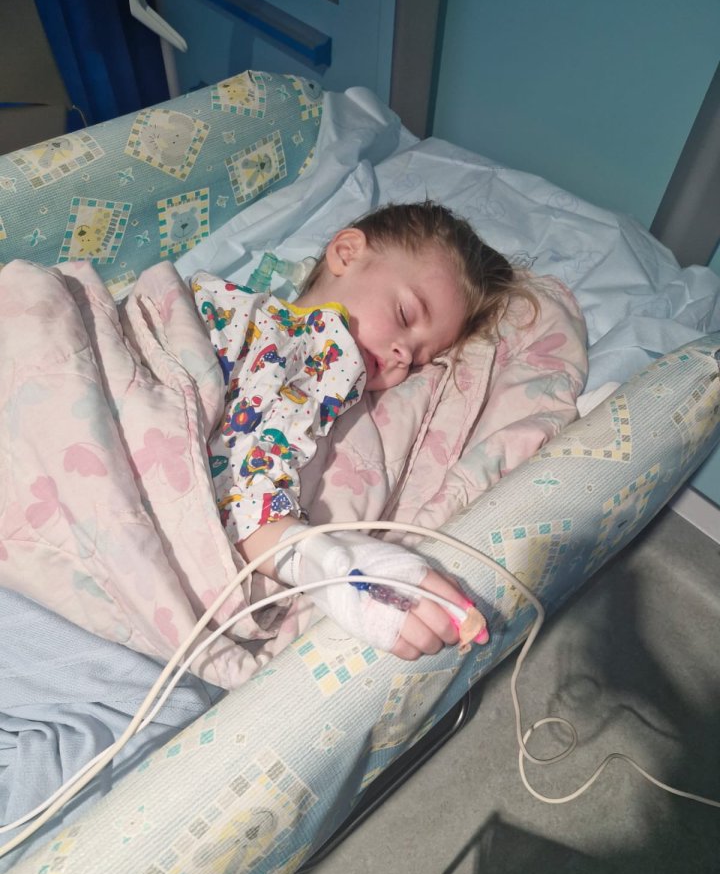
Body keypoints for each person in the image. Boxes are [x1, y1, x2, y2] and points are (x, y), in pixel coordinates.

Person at [190, 201, 537, 660]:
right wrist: (327, 563)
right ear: (347, 253)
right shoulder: (297, 337)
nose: (399, 354)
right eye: (405, 315)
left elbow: (249, 476)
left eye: (415, 359)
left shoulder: (321, 384)